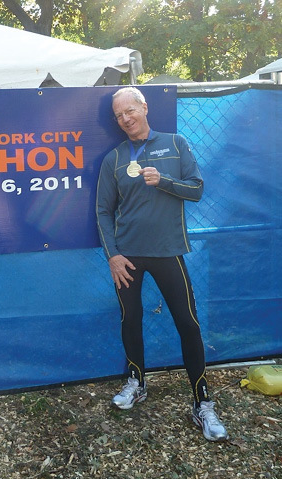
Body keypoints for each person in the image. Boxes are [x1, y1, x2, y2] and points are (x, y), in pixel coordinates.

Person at [95, 87, 228, 442]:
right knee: (131, 318)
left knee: (187, 323)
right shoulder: (115, 158)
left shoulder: (176, 142)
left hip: (168, 252)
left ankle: (202, 402)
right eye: (119, 115)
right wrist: (113, 255)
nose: (125, 118)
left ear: (144, 107)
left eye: (130, 111)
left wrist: (164, 182)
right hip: (128, 257)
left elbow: (197, 189)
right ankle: (137, 382)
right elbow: (103, 210)